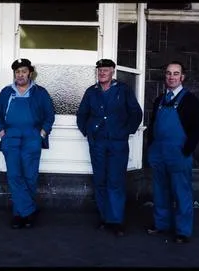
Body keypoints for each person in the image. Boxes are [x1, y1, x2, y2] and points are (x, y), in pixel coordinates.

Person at [76, 59, 143, 236]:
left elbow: (136, 113)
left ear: (113, 71)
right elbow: (82, 114)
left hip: (117, 143)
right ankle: (104, 218)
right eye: (100, 70)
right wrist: (88, 132)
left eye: (106, 70)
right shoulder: (91, 92)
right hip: (97, 142)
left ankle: (116, 220)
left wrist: (125, 131)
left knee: (116, 181)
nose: (102, 73)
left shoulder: (123, 90)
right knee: (100, 180)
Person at [0, 58, 55, 229]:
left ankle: (22, 214)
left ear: (30, 73)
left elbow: (50, 115)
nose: (20, 75)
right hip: (11, 137)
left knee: (30, 176)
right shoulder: (7, 92)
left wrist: (41, 134)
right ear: (15, 73)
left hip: (32, 137)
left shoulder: (40, 92)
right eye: (17, 72)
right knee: (14, 176)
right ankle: (27, 212)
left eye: (24, 71)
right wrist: (2, 132)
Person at [146, 61, 199, 243]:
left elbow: (197, 130)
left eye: (176, 73)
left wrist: (186, 150)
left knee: (181, 192)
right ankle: (161, 224)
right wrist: (151, 149)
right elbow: (153, 125)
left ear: (182, 77)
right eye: (169, 73)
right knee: (160, 191)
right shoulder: (159, 100)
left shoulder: (190, 100)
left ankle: (182, 231)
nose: (172, 77)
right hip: (159, 154)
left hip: (178, 153)